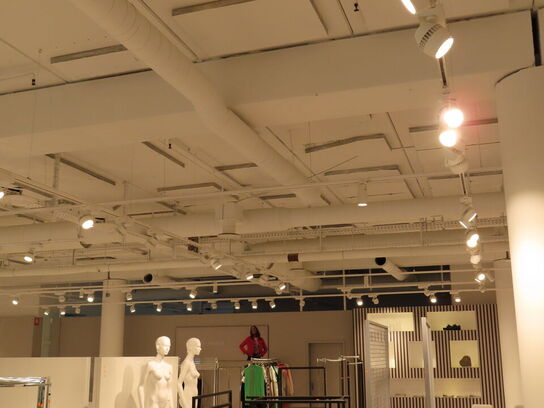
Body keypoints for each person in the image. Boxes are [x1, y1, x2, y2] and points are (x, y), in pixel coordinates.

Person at [138, 336, 175, 408]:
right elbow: (141, 386)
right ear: (158, 346)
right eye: (165, 345)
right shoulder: (150, 365)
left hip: (166, 403)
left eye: (169, 346)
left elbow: (169, 389)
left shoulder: (169, 367)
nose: (167, 348)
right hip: (154, 402)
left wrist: (172, 406)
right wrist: (142, 406)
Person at [178, 337, 202, 408]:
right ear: (191, 347)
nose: (200, 349)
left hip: (194, 395)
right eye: (198, 346)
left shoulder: (192, 362)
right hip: (187, 396)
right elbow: (178, 383)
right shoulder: (186, 363)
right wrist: (184, 402)